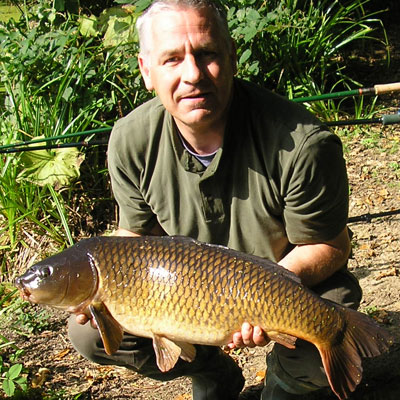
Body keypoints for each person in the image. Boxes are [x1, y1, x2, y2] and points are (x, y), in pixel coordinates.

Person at [68, 1, 362, 399]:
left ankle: (281, 385)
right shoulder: (130, 139)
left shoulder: (303, 142)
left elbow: (330, 244)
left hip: (285, 277)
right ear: (146, 71)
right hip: (183, 295)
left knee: (319, 337)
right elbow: (134, 237)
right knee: (90, 333)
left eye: (206, 54)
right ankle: (213, 374)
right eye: (172, 59)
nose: (193, 74)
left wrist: (259, 296)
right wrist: (100, 289)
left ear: (232, 58)